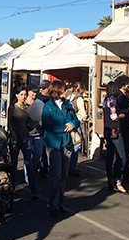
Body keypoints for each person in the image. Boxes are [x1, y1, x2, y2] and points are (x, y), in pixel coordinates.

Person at [42, 80, 80, 217]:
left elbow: (76, 119)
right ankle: (53, 205)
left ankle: (60, 202)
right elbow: (47, 124)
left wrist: (72, 124)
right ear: (57, 91)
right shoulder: (48, 106)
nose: (66, 92)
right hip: (53, 143)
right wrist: (65, 128)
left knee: (64, 174)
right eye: (64, 90)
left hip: (67, 142)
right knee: (55, 174)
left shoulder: (68, 105)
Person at [8, 86, 38, 200]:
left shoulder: (28, 108)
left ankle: (34, 191)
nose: (23, 97)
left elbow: (29, 125)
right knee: (14, 164)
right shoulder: (12, 108)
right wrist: (12, 133)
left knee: (29, 164)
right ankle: (12, 188)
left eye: (25, 94)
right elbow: (9, 123)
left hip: (26, 137)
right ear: (16, 95)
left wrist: (35, 123)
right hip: (16, 137)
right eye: (21, 94)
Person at [102, 81, 128, 193]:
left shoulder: (105, 100)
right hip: (115, 131)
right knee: (122, 156)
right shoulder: (112, 100)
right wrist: (121, 115)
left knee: (110, 156)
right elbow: (113, 116)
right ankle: (118, 179)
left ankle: (110, 179)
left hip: (108, 130)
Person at [28, 80, 51, 178]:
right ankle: (34, 170)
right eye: (40, 88)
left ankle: (43, 169)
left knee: (43, 152)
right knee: (37, 152)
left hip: (47, 129)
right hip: (37, 129)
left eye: (43, 88)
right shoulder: (39, 98)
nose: (41, 90)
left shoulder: (51, 99)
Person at [67, 82, 88, 177]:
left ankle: (67, 165)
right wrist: (85, 118)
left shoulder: (70, 97)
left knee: (70, 144)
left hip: (70, 122)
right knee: (77, 144)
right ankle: (72, 166)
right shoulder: (79, 99)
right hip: (77, 122)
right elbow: (83, 114)